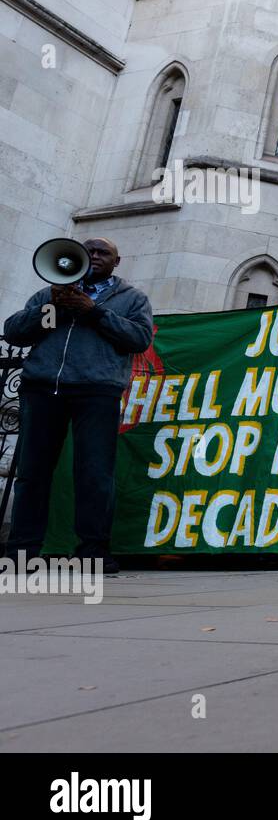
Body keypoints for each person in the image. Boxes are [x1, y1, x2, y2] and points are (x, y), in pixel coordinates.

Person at [1, 238, 154, 573]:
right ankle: (22, 552)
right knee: (32, 472)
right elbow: (14, 332)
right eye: (89, 251)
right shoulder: (50, 295)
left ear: (117, 261)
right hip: (42, 388)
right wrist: (52, 310)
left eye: (103, 253)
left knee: (95, 473)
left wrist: (94, 312)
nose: (95, 256)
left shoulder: (132, 298)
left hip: (97, 390)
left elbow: (139, 339)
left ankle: (92, 553)